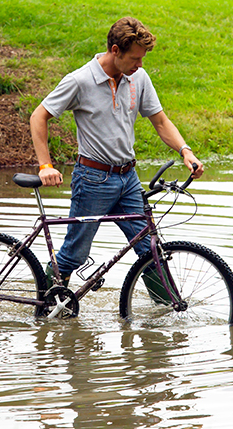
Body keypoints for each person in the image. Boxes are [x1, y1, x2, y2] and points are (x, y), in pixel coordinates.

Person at [30, 16, 203, 288]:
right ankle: (47, 304)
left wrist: (185, 151)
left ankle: (169, 314)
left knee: (151, 252)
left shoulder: (138, 78)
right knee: (73, 256)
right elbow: (38, 116)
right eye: (135, 58)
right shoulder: (80, 80)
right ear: (115, 51)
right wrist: (45, 166)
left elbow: (160, 121)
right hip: (93, 180)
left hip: (128, 179)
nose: (140, 65)